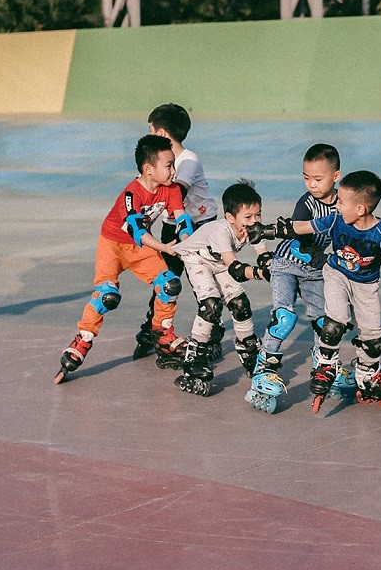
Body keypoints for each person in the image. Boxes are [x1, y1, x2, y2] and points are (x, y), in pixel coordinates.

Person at [249, 170, 381, 411]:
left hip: (365, 286)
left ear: (360, 209)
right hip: (336, 274)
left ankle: (368, 375)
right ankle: (326, 365)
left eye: (341, 202)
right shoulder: (335, 219)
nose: (336, 206)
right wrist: (268, 230)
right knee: (334, 324)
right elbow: (303, 227)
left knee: (374, 338)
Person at [54, 135, 192, 384]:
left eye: (174, 164)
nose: (174, 170)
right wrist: (164, 248)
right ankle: (82, 340)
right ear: (149, 169)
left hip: (141, 250)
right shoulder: (132, 194)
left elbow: (182, 220)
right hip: (113, 245)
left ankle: (162, 332)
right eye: (169, 165)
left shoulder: (172, 189)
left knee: (169, 284)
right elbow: (138, 231)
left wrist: (189, 242)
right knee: (107, 296)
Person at [248, 143, 351, 411]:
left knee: (322, 323)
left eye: (318, 179)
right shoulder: (305, 203)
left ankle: (324, 365)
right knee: (285, 318)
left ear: (336, 177)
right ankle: (264, 367)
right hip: (287, 264)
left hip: (315, 271)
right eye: (306, 178)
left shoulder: (343, 204)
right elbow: (299, 233)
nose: (312, 185)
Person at [133, 103, 221, 361]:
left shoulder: (188, 161)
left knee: (203, 285)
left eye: (150, 129)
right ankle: (152, 332)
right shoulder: (159, 162)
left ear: (161, 134)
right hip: (174, 226)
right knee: (165, 280)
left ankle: (212, 335)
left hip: (201, 226)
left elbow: (174, 194)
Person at [172, 182, 272, 397]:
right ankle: (195, 356)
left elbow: (263, 256)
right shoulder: (221, 232)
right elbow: (235, 269)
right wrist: (261, 274)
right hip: (196, 259)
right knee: (211, 305)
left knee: (240, 304)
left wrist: (273, 267)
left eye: (258, 215)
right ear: (230, 217)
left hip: (218, 264)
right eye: (248, 217)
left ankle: (249, 351)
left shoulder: (251, 229)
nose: (254, 222)